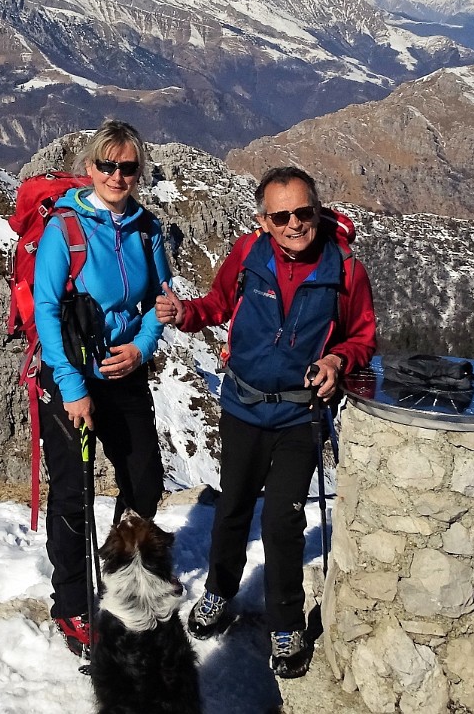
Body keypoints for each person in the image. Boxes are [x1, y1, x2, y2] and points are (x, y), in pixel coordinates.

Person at [155, 166, 376, 679]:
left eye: (305, 212)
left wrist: (338, 362)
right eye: (283, 216)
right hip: (243, 407)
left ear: (318, 210)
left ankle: (285, 622)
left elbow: (363, 337)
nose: (296, 223)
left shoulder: (345, 268)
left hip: (300, 414)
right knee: (231, 508)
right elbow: (217, 305)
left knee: (282, 520)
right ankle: (218, 591)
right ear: (264, 220)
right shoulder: (247, 254)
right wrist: (182, 313)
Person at [33, 119, 172, 657]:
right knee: (74, 495)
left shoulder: (145, 228)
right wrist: (71, 386)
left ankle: (123, 583)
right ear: (90, 168)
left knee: (144, 482)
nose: (118, 175)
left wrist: (141, 346)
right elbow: (47, 311)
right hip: (72, 378)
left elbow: (160, 300)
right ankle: (71, 606)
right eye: (108, 165)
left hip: (125, 371)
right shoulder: (65, 230)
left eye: (129, 166)